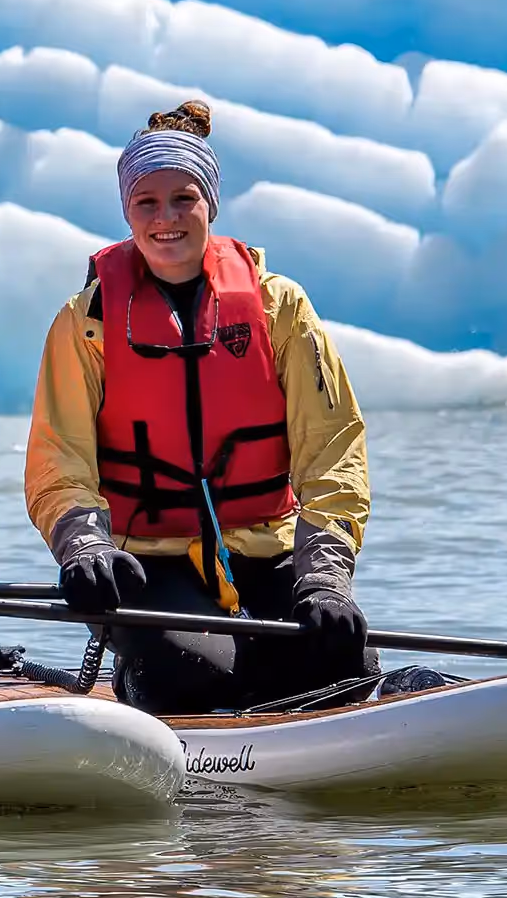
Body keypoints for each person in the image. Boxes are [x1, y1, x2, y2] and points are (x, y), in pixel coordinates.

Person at [28, 99, 374, 713]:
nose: (166, 218)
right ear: (127, 211)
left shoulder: (280, 307)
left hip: (266, 548)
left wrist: (324, 575)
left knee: (345, 662)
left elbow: (333, 448)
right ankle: (143, 682)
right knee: (195, 672)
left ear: (210, 203)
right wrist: (83, 546)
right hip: (145, 561)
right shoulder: (86, 323)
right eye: (146, 202)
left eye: (183, 198)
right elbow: (59, 459)